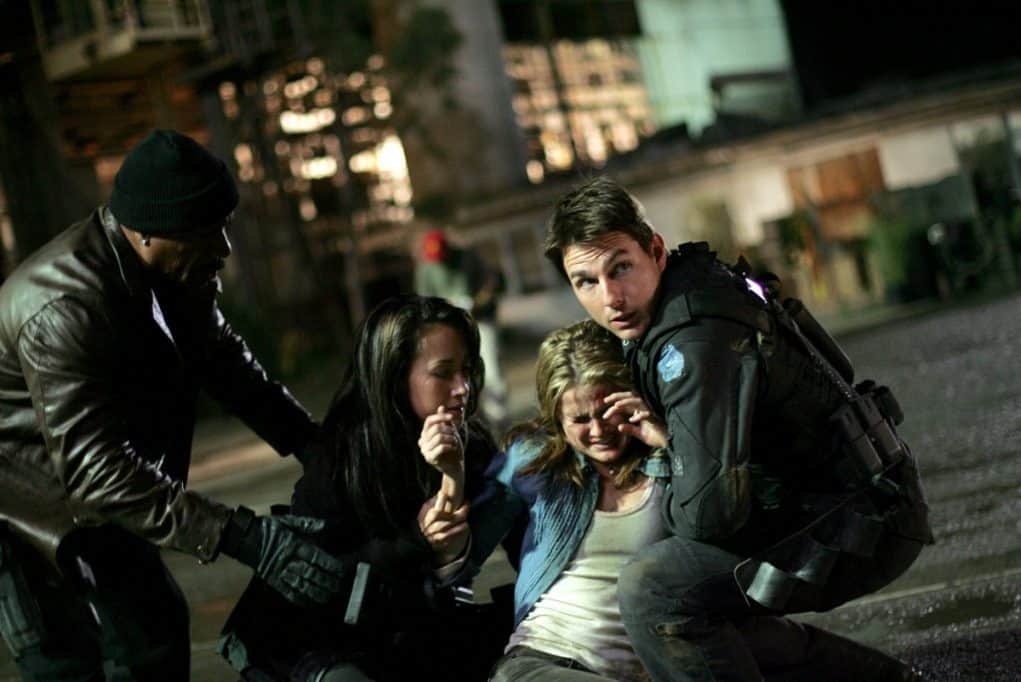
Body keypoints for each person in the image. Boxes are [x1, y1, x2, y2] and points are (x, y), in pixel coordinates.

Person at [543, 176, 934, 681]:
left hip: (857, 525)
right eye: (586, 282)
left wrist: (668, 455)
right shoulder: (693, 286)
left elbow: (709, 518)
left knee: (655, 589)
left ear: (655, 251)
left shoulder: (691, 342)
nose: (611, 297)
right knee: (689, 589)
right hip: (854, 499)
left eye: (621, 268)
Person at [0, 129, 349, 680]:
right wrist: (246, 536)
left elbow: (228, 367)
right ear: (146, 233)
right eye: (206, 232)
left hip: (102, 486)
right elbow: (93, 471)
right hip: (19, 508)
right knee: (64, 662)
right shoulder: (64, 309)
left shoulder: (177, 269)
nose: (224, 248)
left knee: (156, 636)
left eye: (224, 226)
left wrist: (316, 448)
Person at [219, 294, 506, 681]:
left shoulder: (474, 446)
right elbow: (316, 579)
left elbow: (454, 576)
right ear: (396, 375)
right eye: (443, 373)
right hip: (319, 638)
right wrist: (412, 541)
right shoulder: (343, 456)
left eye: (466, 370)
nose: (462, 387)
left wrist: (453, 474)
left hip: (409, 627)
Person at [453, 319, 672, 681]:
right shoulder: (535, 461)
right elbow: (459, 556)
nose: (598, 431)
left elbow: (733, 522)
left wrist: (670, 444)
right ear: (556, 417)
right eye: (580, 419)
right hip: (540, 661)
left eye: (607, 412)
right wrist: (450, 478)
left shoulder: (667, 462)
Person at [415, 227, 509, 427]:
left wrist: (477, 302)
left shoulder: (467, 258)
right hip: (450, 328)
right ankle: (474, 422)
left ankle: (500, 420)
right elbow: (424, 302)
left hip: (481, 320)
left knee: (491, 370)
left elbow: (490, 283)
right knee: (461, 376)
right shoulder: (426, 270)